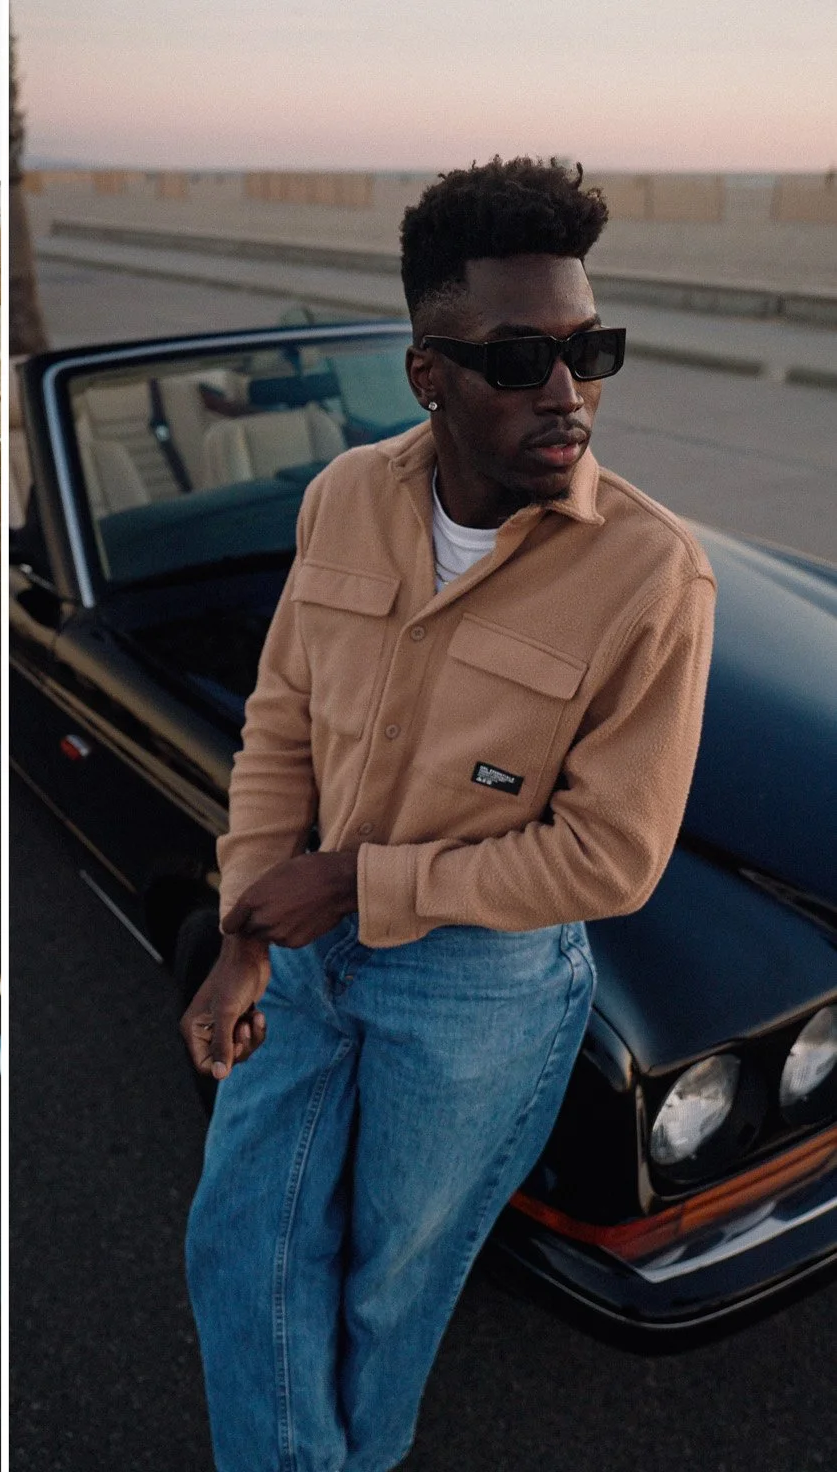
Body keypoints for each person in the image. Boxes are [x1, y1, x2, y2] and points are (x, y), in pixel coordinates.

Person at [180, 157, 716, 1470]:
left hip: (484, 992)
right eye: (521, 357)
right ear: (428, 372)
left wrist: (360, 881)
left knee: (388, 1287)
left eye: (592, 350)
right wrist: (245, 930)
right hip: (302, 957)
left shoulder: (652, 575)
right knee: (241, 1241)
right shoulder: (343, 498)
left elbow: (613, 855)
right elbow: (281, 728)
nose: (566, 392)